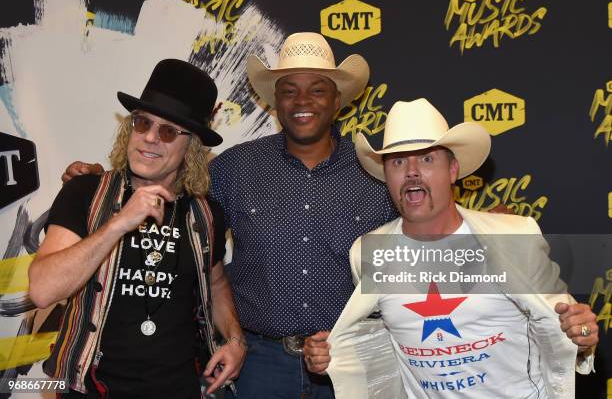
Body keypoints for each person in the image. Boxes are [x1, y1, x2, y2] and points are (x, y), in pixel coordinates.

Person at [61, 35, 597, 398]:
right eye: (288, 90)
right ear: (273, 101)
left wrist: (500, 230)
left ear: (337, 101)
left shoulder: (377, 171)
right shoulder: (233, 169)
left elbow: (432, 213)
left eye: (317, 90)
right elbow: (173, 185)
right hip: (261, 363)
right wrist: (102, 176)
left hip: (354, 359)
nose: (303, 101)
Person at [302, 99, 599, 398]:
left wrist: (583, 335)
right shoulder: (366, 252)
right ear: (386, 176)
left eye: (427, 159)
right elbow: (382, 341)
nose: (412, 172)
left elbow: (566, 329)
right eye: (398, 162)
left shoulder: (512, 236)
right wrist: (334, 357)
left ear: (453, 170)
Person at [29, 59, 246, 398]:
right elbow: (42, 290)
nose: (149, 138)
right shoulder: (85, 192)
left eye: (168, 131)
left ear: (190, 146)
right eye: (142, 123)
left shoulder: (206, 214)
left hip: (178, 389)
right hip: (90, 387)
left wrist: (235, 338)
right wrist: (119, 223)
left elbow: (216, 283)